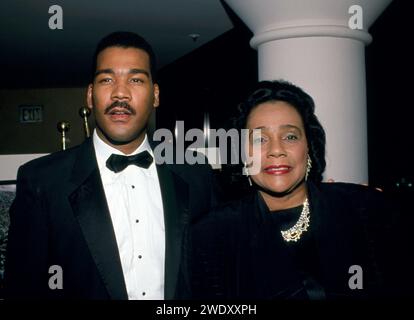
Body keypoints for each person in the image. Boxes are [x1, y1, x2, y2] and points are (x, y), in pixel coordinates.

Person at [4, 31, 217, 300]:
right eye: (107, 79)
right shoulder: (41, 181)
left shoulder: (195, 173)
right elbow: (23, 290)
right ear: (91, 95)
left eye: (136, 79)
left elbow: (216, 275)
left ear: (155, 95)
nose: (120, 93)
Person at [192, 80, 409, 299]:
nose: (276, 150)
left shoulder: (365, 212)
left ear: (309, 148)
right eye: (259, 139)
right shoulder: (211, 236)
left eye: (290, 136)